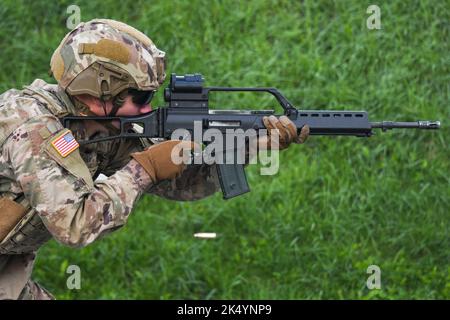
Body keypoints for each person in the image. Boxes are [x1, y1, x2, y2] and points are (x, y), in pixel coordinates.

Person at [0, 19, 309, 299]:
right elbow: (76, 225)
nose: (148, 109)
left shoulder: (98, 127)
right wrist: (143, 168)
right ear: (99, 94)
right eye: (142, 97)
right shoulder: (33, 131)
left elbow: (183, 186)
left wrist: (246, 147)